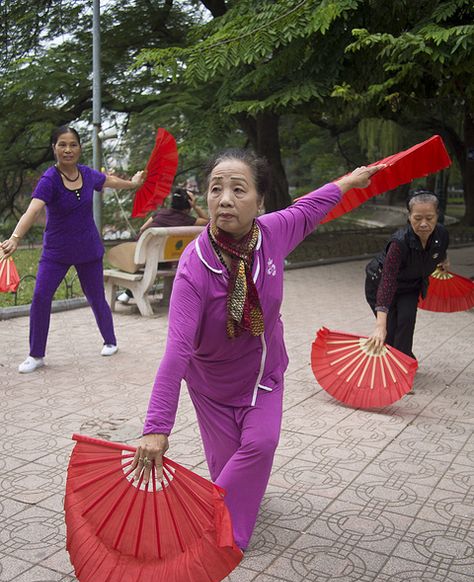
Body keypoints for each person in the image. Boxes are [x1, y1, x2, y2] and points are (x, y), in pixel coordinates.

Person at [130, 148, 384, 551]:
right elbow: (177, 350)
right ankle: (229, 503)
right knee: (227, 469)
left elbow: (312, 205)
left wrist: (349, 181)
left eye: (237, 189)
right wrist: (156, 428)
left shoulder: (274, 231)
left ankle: (212, 534)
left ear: (260, 201)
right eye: (216, 189)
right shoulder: (194, 267)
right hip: (211, 386)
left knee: (260, 445)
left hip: (264, 375)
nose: (225, 199)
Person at [0, 125, 145, 373]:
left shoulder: (87, 174)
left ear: (79, 148)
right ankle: (36, 355)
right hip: (56, 252)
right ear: (54, 148)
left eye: (73, 144)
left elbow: (109, 181)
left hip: (88, 247)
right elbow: (33, 210)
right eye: (62, 145)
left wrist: (132, 184)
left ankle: (110, 341)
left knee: (96, 296)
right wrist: (15, 237)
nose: (68, 150)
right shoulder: (50, 179)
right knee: (40, 298)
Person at [364, 190, 449, 359]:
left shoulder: (441, 233)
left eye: (429, 218)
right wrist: (380, 325)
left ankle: (402, 361)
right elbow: (387, 281)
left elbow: (440, 250)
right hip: (380, 283)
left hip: (410, 285)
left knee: (407, 321)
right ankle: (393, 361)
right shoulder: (399, 242)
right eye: (418, 218)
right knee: (391, 328)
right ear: (409, 216)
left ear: (437, 215)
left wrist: (444, 260)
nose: (424, 224)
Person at [117, 187, 209, 304]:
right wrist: (195, 206)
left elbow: (142, 228)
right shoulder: (188, 220)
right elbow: (207, 221)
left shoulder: (160, 213)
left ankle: (128, 293)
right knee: (151, 258)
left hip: (140, 257)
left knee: (137, 257)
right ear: (188, 206)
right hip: (165, 261)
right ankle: (128, 293)